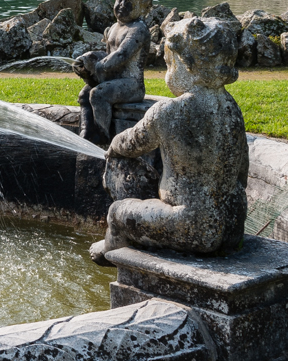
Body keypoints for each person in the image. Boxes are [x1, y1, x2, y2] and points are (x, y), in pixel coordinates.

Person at [92, 15, 248, 262]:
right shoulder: (232, 108)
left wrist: (112, 146)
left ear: (184, 65)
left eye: (168, 64)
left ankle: (113, 257)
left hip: (190, 225)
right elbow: (242, 172)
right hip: (232, 222)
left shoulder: (169, 112)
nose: (167, 73)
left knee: (117, 213)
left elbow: (130, 143)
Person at [72, 0, 152, 146]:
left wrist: (99, 66)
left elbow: (122, 55)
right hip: (113, 79)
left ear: (142, 7)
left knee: (98, 94)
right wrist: (88, 60)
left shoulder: (138, 30)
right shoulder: (114, 28)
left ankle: (102, 135)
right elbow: (107, 53)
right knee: (85, 94)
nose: (122, 4)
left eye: (128, 1)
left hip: (131, 85)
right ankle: (87, 130)